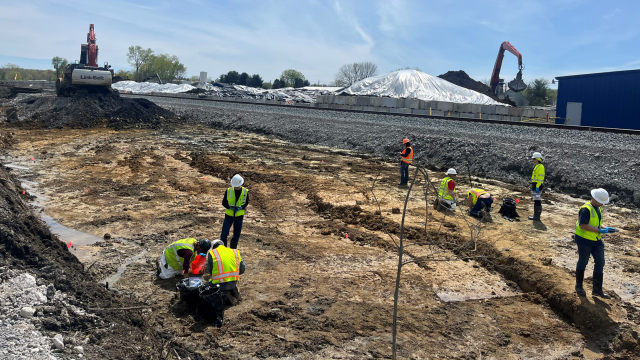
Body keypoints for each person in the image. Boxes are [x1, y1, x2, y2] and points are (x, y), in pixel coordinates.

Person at [574, 188, 617, 298]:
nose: (602, 204)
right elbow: (582, 225)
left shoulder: (598, 208)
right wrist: (599, 230)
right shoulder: (585, 209)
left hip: (596, 240)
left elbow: (598, 222)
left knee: (600, 262)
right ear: (594, 198)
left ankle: (597, 290)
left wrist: (605, 227)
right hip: (584, 240)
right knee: (583, 261)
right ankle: (579, 286)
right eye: (601, 202)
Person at [206, 239, 246, 305]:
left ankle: (227, 295)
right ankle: (233, 291)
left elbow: (211, 271)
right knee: (229, 284)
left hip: (220, 285)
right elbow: (243, 268)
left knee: (206, 286)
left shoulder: (212, 253)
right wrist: (233, 274)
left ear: (214, 246)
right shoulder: (234, 251)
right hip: (233, 281)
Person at [221, 174, 249, 249]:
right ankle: (224, 251)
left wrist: (241, 207)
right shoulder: (229, 191)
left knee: (236, 236)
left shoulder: (245, 192)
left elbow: (246, 202)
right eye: (235, 186)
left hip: (239, 217)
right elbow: (224, 202)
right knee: (224, 235)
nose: (236, 187)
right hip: (228, 216)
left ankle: (233, 251)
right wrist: (229, 207)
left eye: (238, 186)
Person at [529, 152, 545, 220]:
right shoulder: (537, 166)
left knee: (537, 201)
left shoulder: (540, 167)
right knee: (536, 200)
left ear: (538, 159)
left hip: (537, 186)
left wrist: (537, 186)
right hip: (535, 185)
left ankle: (537, 216)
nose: (533, 160)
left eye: (534, 159)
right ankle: (536, 214)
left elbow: (540, 178)